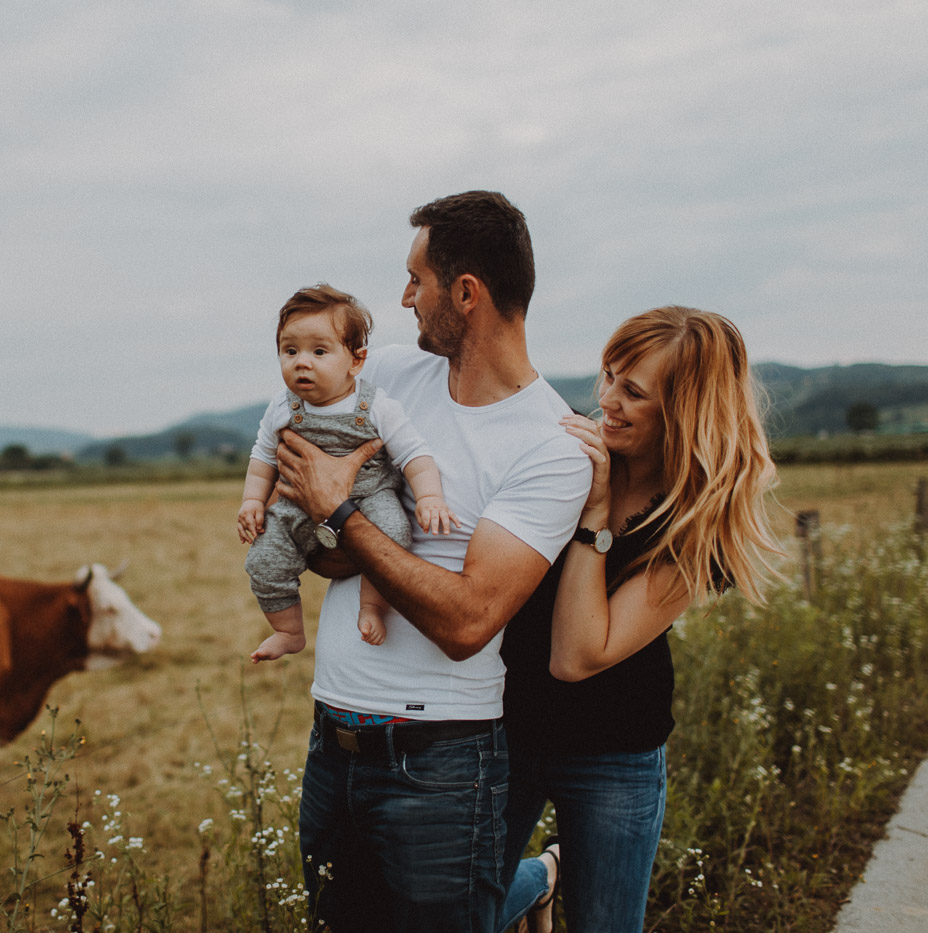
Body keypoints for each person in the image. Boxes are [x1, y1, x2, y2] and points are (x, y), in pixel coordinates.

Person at [273, 191, 592, 932]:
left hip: (440, 763)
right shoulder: (383, 372)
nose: (405, 298)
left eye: (416, 279)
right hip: (332, 742)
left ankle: (529, 886)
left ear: (467, 293)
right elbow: (306, 518)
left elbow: (468, 619)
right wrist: (342, 531)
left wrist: (344, 515)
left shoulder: (551, 444)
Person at [496, 306, 783, 933]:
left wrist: (594, 518)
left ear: (684, 410)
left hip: (613, 753)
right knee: (453, 913)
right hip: (507, 729)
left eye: (633, 392)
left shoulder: (695, 520)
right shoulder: (563, 455)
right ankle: (539, 880)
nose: (606, 402)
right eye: (607, 378)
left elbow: (576, 656)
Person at [238, 284, 456, 661]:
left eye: (319, 351)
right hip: (296, 503)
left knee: (393, 533)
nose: (301, 362)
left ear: (356, 361)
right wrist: (252, 502)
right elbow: (264, 458)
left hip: (370, 496)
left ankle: (371, 606)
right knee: (264, 558)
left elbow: (414, 455)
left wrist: (430, 497)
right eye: (290, 351)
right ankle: (288, 630)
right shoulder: (282, 406)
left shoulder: (376, 406)